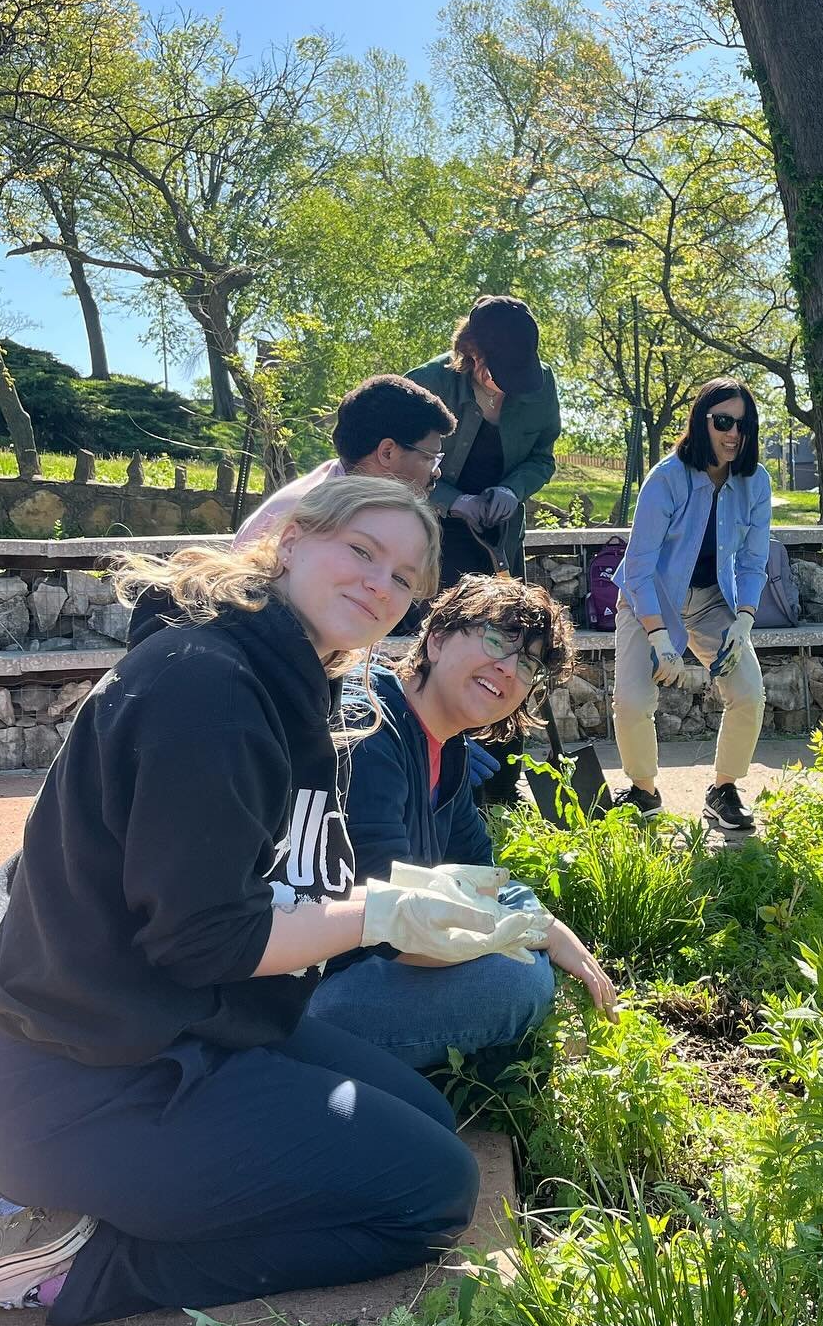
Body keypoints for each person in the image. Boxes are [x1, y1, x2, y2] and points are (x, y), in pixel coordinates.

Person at [0, 478, 537, 1326]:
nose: (382, 584)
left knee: (429, 1121)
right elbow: (200, 939)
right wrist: (382, 915)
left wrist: (412, 894)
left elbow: (285, 877)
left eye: (405, 577)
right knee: (434, 1197)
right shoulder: (210, 688)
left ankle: (126, 1201)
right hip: (86, 1082)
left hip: (191, 1023)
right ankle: (77, 1261)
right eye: (363, 552)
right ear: (293, 541)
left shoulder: (298, 679)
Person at [307, 575, 617, 1069]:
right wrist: (530, 933)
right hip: (310, 989)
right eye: (497, 639)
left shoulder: (446, 745)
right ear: (436, 638)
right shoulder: (367, 730)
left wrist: (541, 924)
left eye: (529, 663)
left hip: (375, 967)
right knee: (518, 982)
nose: (508, 668)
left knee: (520, 966)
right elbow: (389, 919)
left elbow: (484, 875)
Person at [611, 378, 771, 833]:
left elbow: (754, 560)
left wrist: (744, 620)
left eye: (743, 424)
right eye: (723, 421)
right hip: (648, 602)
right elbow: (638, 567)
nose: (733, 434)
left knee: (748, 691)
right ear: (702, 422)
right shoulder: (666, 478)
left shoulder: (755, 483)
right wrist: (660, 637)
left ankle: (723, 790)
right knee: (632, 701)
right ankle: (643, 792)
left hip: (711, 604)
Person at [406, 295, 561, 584]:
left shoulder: (542, 384)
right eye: (501, 375)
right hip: (431, 533)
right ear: (473, 354)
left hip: (501, 537)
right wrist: (454, 501)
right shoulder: (426, 384)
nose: (510, 387)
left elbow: (542, 458)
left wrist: (513, 491)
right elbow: (392, 466)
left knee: (504, 625)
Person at [234, 374, 454, 546]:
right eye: (429, 458)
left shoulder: (344, 497)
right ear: (387, 452)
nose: (436, 473)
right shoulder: (312, 518)